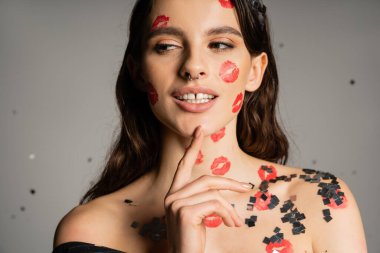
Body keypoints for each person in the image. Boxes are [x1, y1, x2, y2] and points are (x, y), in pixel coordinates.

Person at [52, 0, 367, 252]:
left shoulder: (322, 204)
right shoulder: (90, 230)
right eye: (166, 45)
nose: (193, 67)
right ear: (138, 72)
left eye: (219, 44)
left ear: (255, 71)